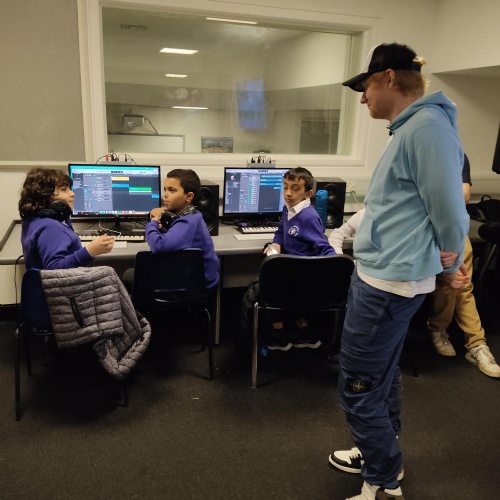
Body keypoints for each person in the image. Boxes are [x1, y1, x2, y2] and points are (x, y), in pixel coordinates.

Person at [331, 43, 470, 500]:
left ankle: (383, 482)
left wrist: (451, 263)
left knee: (357, 384)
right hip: (383, 275)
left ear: (389, 78)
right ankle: (379, 452)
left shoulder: (427, 129)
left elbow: (451, 209)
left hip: (388, 284)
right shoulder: (411, 128)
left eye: (366, 87)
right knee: (382, 373)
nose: (362, 98)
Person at [241, 167, 335, 352]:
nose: (288, 193)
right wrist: (276, 244)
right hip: (291, 273)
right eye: (285, 187)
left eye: (295, 188)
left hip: (301, 278)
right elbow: (281, 231)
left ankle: (279, 335)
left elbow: (324, 247)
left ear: (308, 194)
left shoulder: (308, 217)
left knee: (265, 289)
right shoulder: (288, 209)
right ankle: (305, 331)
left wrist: (335, 267)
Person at [427, 154, 500, 377]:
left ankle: (476, 344)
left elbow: (465, 195)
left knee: (462, 282)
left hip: (453, 224)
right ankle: (437, 328)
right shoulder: (421, 151)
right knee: (447, 282)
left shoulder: (457, 155)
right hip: (424, 223)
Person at [19, 167, 115, 270]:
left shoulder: (34, 221)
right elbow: (54, 269)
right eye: (64, 189)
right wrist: (90, 251)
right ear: (45, 195)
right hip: (69, 280)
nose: (72, 193)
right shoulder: (50, 227)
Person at [145, 169, 219, 291]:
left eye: (172, 190)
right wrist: (153, 216)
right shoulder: (188, 215)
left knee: (134, 275)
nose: (165, 195)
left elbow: (159, 246)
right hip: (188, 278)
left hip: (196, 286)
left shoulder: (189, 221)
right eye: (165, 189)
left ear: (189, 196)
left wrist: (152, 223)